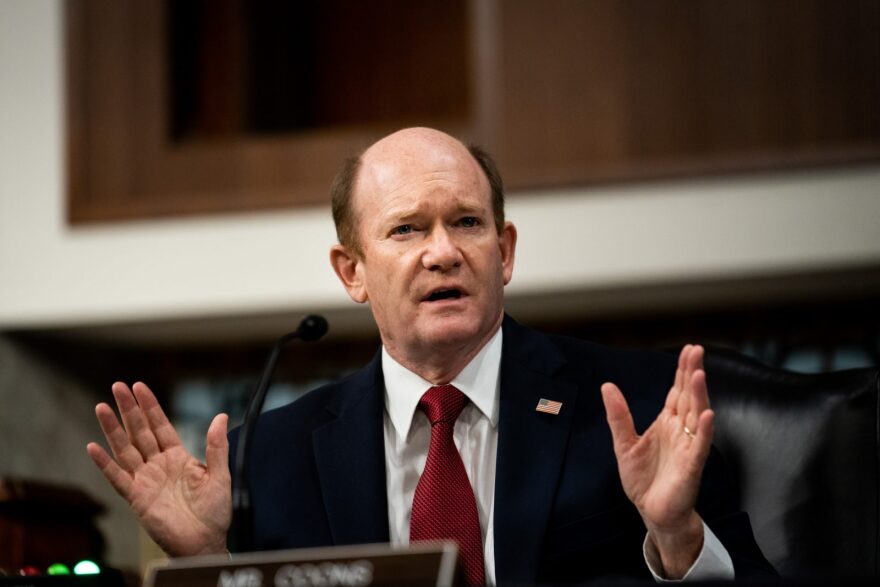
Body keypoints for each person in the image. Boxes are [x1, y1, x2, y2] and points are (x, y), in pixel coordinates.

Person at [87, 128, 774, 585]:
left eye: (467, 222)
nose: (442, 251)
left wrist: (676, 534)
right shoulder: (267, 458)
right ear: (352, 271)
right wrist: (206, 562)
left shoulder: (635, 406)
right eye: (407, 229)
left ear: (504, 251)